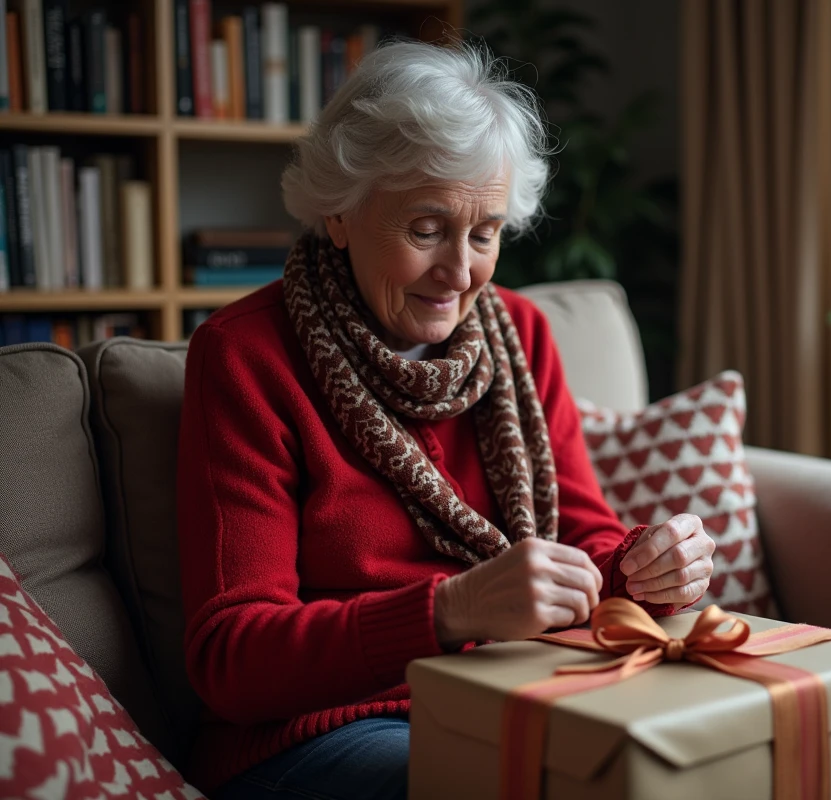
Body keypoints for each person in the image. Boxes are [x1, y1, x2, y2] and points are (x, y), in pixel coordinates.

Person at [175, 40, 715, 800]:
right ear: (340, 209)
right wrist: (451, 610)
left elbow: (585, 542)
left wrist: (647, 567)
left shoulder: (520, 335)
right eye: (425, 230)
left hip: (513, 690)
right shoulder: (244, 357)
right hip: (320, 734)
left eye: (485, 233)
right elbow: (232, 658)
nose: (460, 273)